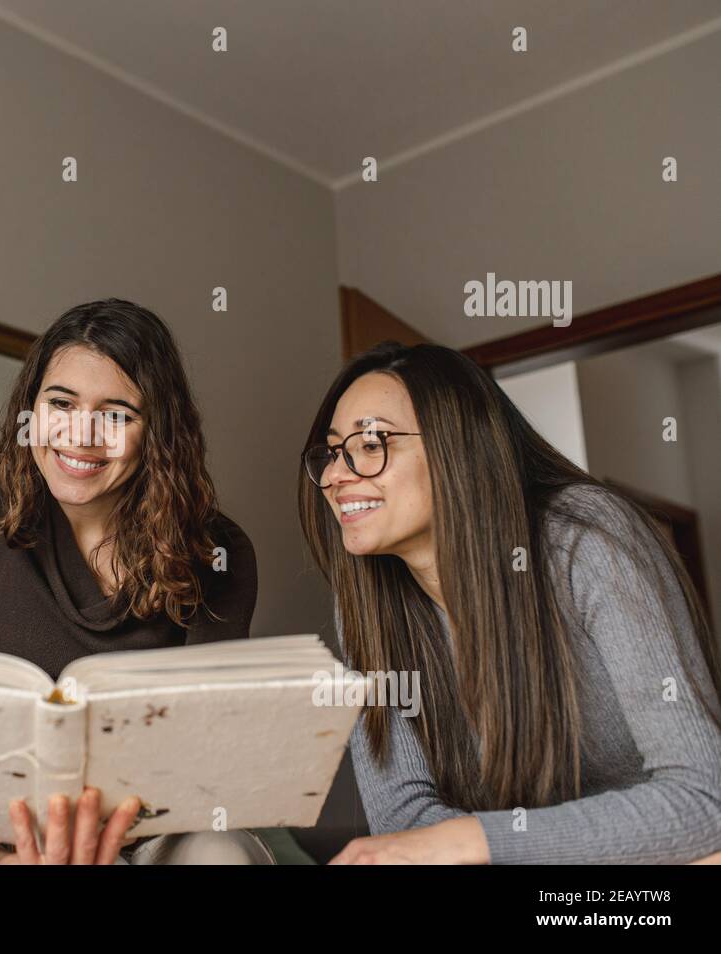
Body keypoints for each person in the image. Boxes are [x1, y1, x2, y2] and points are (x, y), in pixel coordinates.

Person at [297, 341, 721, 864]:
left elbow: (706, 797)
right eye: (334, 451)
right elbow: (404, 817)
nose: (337, 477)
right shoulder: (367, 603)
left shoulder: (585, 540)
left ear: (460, 447)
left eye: (370, 444)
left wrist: (474, 841)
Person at [0, 298, 271, 864]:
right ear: (31, 409)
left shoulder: (216, 551)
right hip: (15, 817)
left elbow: (206, 744)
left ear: (157, 431)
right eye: (61, 403)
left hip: (158, 818)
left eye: (117, 413)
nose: (81, 435)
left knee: (222, 855)